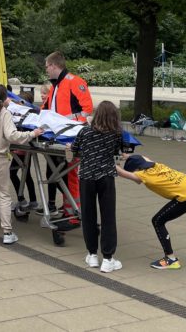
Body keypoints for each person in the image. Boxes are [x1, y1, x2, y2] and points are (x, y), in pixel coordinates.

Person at [0, 84, 44, 245]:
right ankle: (7, 232)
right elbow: (12, 136)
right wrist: (33, 133)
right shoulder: (5, 114)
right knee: (3, 195)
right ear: (7, 98)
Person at [67, 101, 123, 273]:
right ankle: (108, 258)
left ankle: (92, 255)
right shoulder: (116, 134)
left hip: (86, 177)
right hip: (106, 177)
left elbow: (75, 150)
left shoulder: (84, 131)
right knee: (108, 217)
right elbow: (116, 152)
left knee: (89, 216)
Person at [42, 51, 94, 220]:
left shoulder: (74, 82)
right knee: (60, 176)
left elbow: (87, 109)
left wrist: (74, 127)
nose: (46, 71)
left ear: (53, 65)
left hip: (71, 137)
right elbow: (46, 109)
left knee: (70, 176)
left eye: (47, 67)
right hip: (60, 137)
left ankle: (74, 214)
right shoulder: (56, 86)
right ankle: (71, 210)